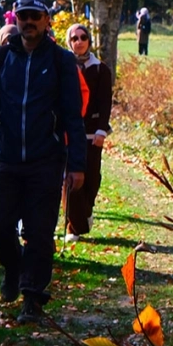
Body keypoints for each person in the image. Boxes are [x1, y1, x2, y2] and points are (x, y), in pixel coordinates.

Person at [0, 0, 85, 322]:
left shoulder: (61, 61)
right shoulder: (0, 57)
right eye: (23, 17)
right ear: (15, 20)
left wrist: (77, 164)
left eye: (35, 16)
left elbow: (73, 116)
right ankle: (13, 267)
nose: (28, 22)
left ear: (46, 20)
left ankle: (32, 297)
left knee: (39, 231)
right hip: (4, 156)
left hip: (45, 159)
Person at [64, 23, 112, 243]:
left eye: (83, 37)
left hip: (92, 133)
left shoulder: (100, 69)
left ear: (89, 41)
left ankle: (86, 209)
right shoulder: (64, 66)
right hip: (69, 132)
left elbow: (105, 102)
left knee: (91, 178)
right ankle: (73, 226)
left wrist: (102, 129)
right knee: (71, 178)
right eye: (74, 38)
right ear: (69, 42)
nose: (79, 42)